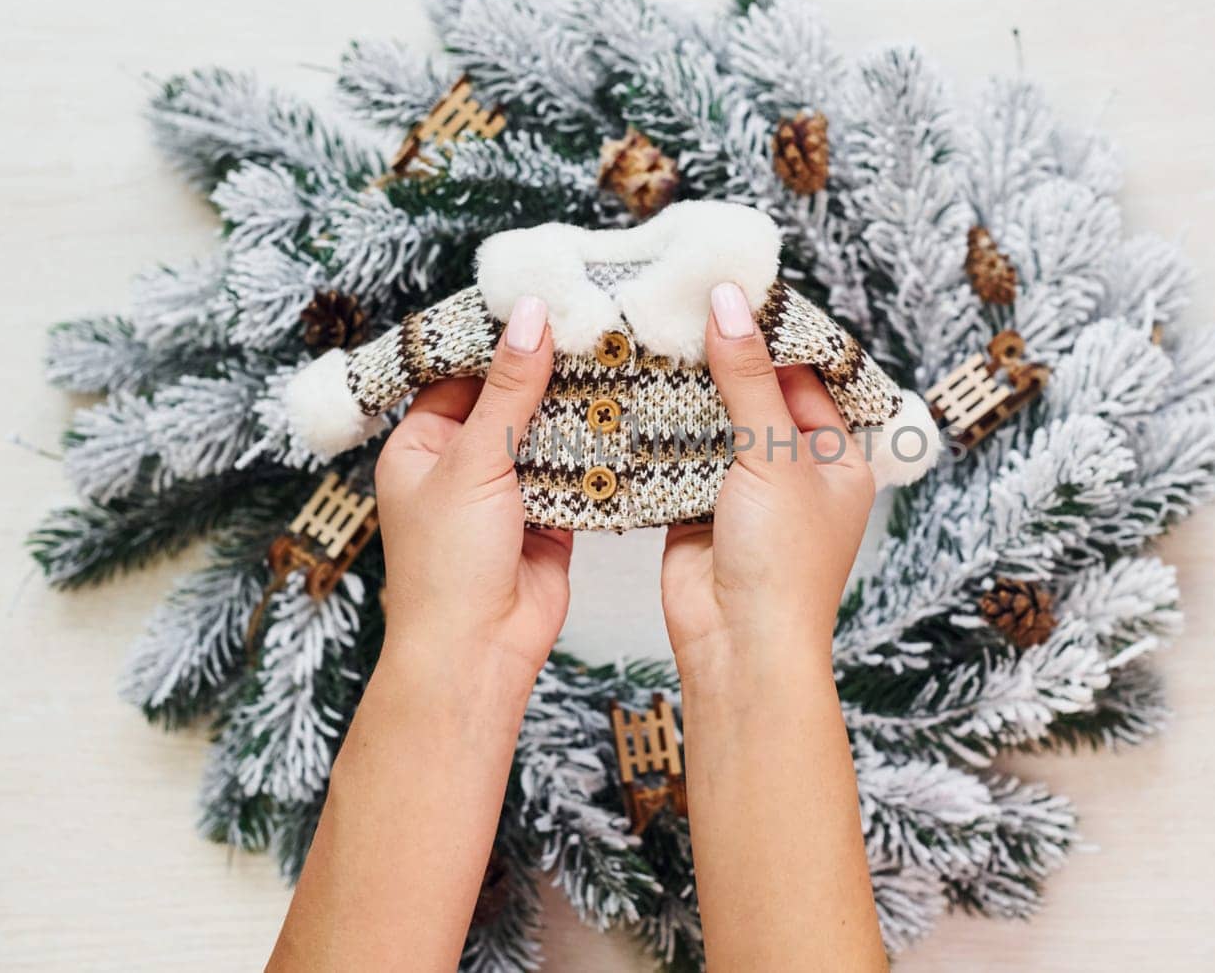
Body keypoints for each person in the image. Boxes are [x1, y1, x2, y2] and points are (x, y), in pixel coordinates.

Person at [266, 284, 891, 971]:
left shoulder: (708, 273)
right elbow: (423, 345)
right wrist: (761, 643)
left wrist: (451, 638)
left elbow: (823, 345)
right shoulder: (525, 288)